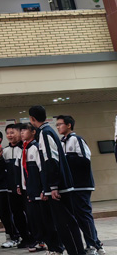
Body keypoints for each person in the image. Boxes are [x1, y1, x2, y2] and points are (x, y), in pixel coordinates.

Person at [29, 105, 85, 255]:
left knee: (65, 224)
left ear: (32, 119)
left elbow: (51, 159)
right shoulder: (48, 131)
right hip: (57, 185)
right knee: (64, 224)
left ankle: (77, 252)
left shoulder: (45, 133)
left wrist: (53, 186)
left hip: (59, 187)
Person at [57, 116, 105, 255]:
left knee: (84, 215)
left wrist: (65, 158)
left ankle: (93, 245)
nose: (58, 127)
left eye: (60, 124)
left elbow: (85, 159)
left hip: (81, 184)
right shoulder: (62, 142)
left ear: (69, 125)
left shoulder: (76, 139)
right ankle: (96, 244)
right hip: (71, 186)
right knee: (79, 217)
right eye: (57, 124)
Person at [18, 123, 50, 253]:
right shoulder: (24, 149)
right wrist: (22, 185)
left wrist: (44, 189)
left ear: (33, 132)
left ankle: (46, 240)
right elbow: (23, 170)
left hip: (38, 189)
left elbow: (42, 169)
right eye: (21, 131)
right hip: (29, 189)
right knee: (33, 217)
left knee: (42, 217)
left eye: (25, 130)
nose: (22, 133)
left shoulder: (36, 147)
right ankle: (38, 240)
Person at [2, 123, 31, 248]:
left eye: (13, 132)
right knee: (17, 214)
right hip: (11, 189)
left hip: (25, 188)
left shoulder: (25, 148)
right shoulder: (4, 151)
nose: (10, 135)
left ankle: (34, 237)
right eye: (8, 133)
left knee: (29, 213)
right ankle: (24, 238)